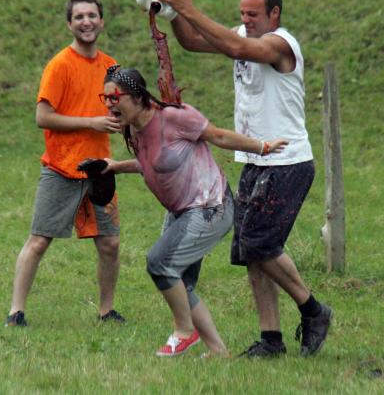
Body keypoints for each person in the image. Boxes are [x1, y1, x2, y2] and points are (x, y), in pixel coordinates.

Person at [159, 0, 332, 358]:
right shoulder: (244, 35)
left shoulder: (281, 44)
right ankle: (271, 340)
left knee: (260, 243)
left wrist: (188, 6)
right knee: (250, 253)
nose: (245, 20)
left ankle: (314, 311)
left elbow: (237, 46)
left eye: (253, 14)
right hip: (255, 158)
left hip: (286, 161)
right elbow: (192, 41)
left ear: (275, 14)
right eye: (242, 14)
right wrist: (171, 13)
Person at [101, 66, 288, 357]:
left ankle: (185, 332)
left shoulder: (175, 117)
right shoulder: (135, 130)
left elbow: (219, 136)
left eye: (116, 98)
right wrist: (115, 166)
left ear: (137, 97)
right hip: (181, 212)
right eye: (106, 98)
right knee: (180, 282)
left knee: (159, 263)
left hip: (210, 206)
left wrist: (262, 147)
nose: (110, 105)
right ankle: (218, 351)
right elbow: (153, 163)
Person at [5, 0, 125, 328]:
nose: (86, 22)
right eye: (79, 17)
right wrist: (91, 122)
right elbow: (43, 117)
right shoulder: (60, 65)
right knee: (40, 240)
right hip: (62, 168)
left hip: (100, 169)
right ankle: (16, 312)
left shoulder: (111, 66)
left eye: (92, 16)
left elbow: (120, 111)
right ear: (69, 24)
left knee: (110, 244)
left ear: (101, 21)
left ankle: (106, 311)